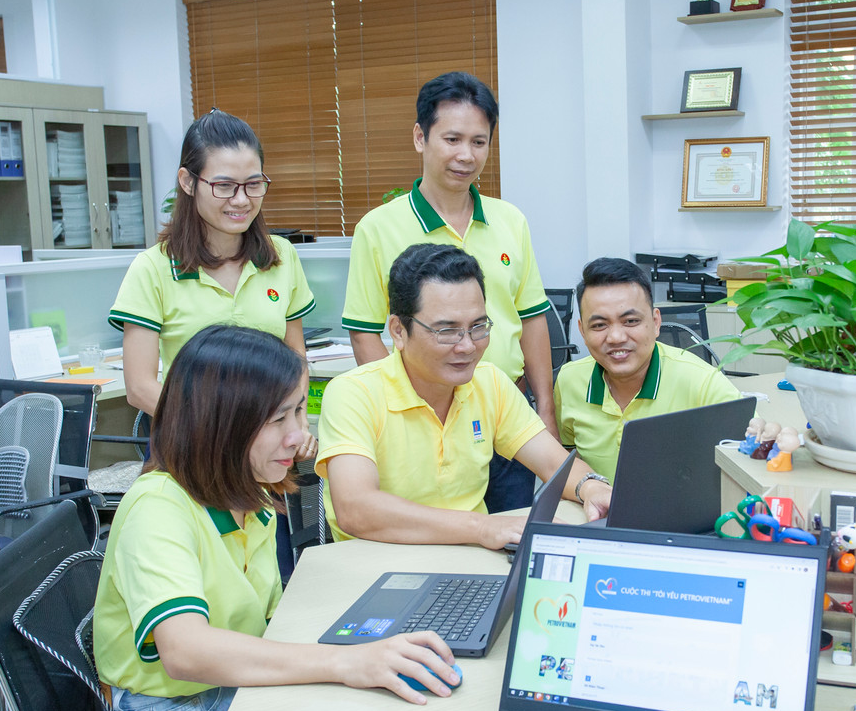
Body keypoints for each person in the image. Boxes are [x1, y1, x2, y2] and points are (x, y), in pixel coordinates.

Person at [93, 325, 458, 711]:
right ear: (221, 424)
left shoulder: (247, 496)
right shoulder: (158, 509)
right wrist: (345, 661)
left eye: (299, 413)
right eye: (278, 419)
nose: (298, 434)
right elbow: (186, 651)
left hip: (222, 697)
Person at [340, 71, 555, 512]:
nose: (466, 155)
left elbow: (532, 320)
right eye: (452, 139)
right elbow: (365, 334)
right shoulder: (378, 229)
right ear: (421, 137)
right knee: (432, 544)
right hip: (423, 425)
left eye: (479, 142)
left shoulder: (510, 220)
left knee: (509, 542)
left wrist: (544, 412)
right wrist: (404, 411)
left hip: (506, 415)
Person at [319, 244, 610, 549]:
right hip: (378, 565)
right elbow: (356, 509)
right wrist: (483, 527)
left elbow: (554, 464)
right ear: (398, 331)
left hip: (470, 560)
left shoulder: (490, 383)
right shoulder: (353, 393)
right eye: (447, 331)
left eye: (478, 326)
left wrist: (591, 488)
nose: (468, 346)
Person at [108, 109, 317, 441]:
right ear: (188, 182)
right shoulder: (154, 268)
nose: (241, 200)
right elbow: (139, 387)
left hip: (266, 451)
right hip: (191, 450)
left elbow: (295, 359)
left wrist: (297, 420)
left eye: (253, 185)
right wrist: (219, 434)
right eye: (224, 186)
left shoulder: (281, 257)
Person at [554, 257, 743, 479]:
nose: (616, 337)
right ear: (582, 331)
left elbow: (750, 445)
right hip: (597, 512)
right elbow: (568, 456)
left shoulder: (700, 380)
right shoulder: (569, 380)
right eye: (599, 325)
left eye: (631, 321)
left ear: (655, 322)